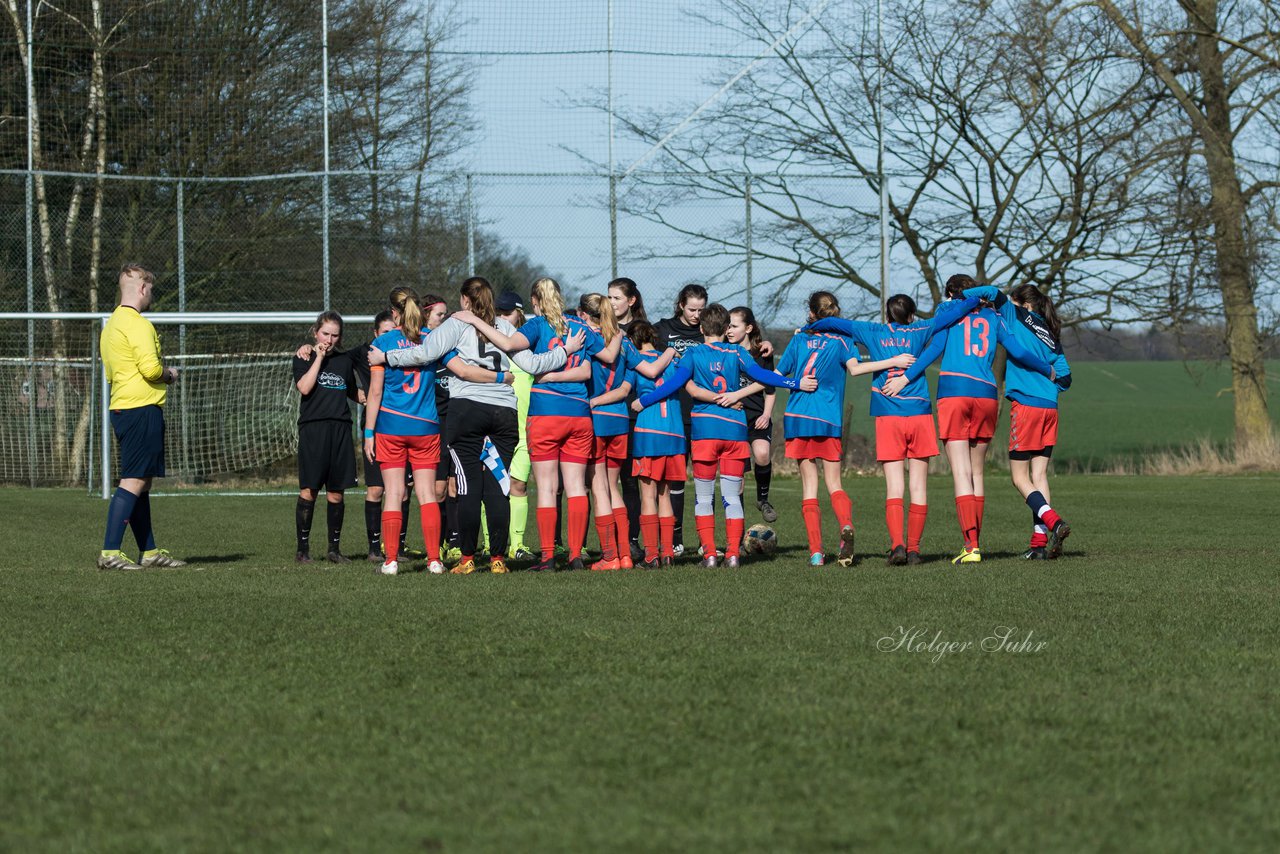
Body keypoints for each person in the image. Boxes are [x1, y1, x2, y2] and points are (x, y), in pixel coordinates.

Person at [375, 277, 583, 574]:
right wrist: (566, 351)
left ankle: (468, 558)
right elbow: (534, 365)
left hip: (468, 410)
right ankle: (498, 559)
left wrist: (386, 356)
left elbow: (423, 353)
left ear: (465, 300)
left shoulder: (457, 323)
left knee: (468, 484)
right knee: (499, 486)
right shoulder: (506, 328)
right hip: (503, 411)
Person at [885, 275, 1057, 563]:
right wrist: (1047, 369)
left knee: (962, 473)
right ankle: (976, 545)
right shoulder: (994, 316)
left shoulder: (947, 312)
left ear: (952, 293)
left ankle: (971, 546)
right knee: (978, 473)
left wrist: (905, 378)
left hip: (954, 392)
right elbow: (1017, 351)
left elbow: (934, 349)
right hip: (987, 394)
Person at [454, 277, 620, 571]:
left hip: (545, 414)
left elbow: (505, 343)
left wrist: (474, 321)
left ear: (534, 301)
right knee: (576, 488)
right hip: (579, 415)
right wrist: (616, 327)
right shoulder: (580, 328)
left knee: (546, 487)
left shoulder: (537, 326)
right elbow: (608, 355)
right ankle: (575, 556)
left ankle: (547, 558)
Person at [804, 292, 980, 565]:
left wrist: (809, 327)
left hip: (888, 415)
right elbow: (951, 316)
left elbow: (836, 324)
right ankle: (914, 550)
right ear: (911, 316)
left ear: (887, 316)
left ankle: (897, 545)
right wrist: (974, 299)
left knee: (894, 486)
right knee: (919, 486)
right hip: (919, 412)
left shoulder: (873, 331)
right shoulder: (921, 328)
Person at [637, 303, 816, 567]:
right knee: (732, 497)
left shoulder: (694, 354)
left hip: (705, 432)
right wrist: (795, 383)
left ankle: (710, 554)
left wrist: (645, 401)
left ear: (701, 328)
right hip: (734, 431)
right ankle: (732, 554)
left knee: (704, 497)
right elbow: (764, 376)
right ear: (725, 328)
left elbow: (674, 385)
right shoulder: (736, 353)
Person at [777, 292, 917, 566]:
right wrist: (894, 361)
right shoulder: (843, 340)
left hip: (798, 418)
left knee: (809, 486)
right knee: (834, 483)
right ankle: (845, 524)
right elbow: (855, 370)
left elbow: (779, 377)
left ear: (811, 312)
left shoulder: (799, 339)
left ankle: (816, 554)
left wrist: (795, 383)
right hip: (828, 419)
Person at [961, 282, 1073, 559]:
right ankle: (1038, 544)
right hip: (1050, 407)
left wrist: (961, 297)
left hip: (1027, 406)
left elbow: (989, 291)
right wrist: (1047, 386)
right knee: (1039, 476)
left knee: (1019, 478)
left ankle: (1054, 521)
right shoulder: (1050, 333)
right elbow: (1066, 378)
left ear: (1023, 303)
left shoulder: (1014, 315)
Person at [97, 263, 185, 570]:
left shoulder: (110, 327)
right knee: (133, 480)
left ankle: (149, 552)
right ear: (143, 289)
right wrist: (170, 374)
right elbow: (150, 369)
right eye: (152, 290)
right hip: (141, 408)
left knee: (141, 482)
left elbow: (111, 373)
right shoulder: (139, 324)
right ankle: (110, 552)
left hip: (122, 406)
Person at [292, 310, 360, 563]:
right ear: (315, 332)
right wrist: (317, 356)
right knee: (309, 490)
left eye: (335, 335)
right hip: (313, 429)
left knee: (336, 493)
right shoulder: (304, 357)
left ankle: (334, 550)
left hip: (341, 429)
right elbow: (305, 387)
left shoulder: (345, 361)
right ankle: (302, 549)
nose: (329, 339)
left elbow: (354, 392)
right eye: (325, 334)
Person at [580, 293, 634, 570]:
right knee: (614, 487)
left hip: (596, 420)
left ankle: (609, 556)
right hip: (620, 420)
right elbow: (644, 369)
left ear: (584, 314)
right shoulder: (624, 339)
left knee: (599, 489)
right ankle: (625, 555)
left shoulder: (586, 338)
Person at [652, 284, 707, 555]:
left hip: (702, 412)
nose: (697, 315)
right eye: (692, 309)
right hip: (673, 413)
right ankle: (675, 538)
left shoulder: (708, 331)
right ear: (680, 306)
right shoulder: (663, 329)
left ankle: (705, 541)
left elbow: (740, 339)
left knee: (704, 477)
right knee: (675, 479)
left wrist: (762, 343)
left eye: (701, 309)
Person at [627, 321, 685, 567]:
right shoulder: (671, 360)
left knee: (647, 495)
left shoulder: (635, 361)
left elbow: (624, 388)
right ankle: (668, 553)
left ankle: (651, 554)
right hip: (674, 432)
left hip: (648, 432)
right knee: (665, 495)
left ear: (632, 340)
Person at [608, 277, 649, 560]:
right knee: (603, 481)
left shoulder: (644, 331)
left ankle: (632, 540)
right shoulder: (601, 329)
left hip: (636, 414)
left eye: (616, 298)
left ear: (631, 300)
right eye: (608, 298)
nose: (610, 303)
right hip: (607, 412)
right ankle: (611, 542)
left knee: (632, 481)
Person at [725, 306, 778, 522]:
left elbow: (771, 389)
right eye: (727, 326)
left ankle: (763, 499)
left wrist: (766, 414)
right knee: (738, 475)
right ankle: (739, 526)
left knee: (763, 454)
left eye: (734, 326)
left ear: (748, 328)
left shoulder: (762, 353)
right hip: (733, 418)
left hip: (757, 415)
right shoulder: (724, 351)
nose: (729, 330)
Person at [495, 291, 536, 560]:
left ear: (519, 314)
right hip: (496, 429)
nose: (502, 318)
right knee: (494, 487)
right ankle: (490, 544)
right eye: (498, 313)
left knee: (518, 485)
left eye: (507, 313)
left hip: (525, 431)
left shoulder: (528, 346)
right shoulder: (488, 346)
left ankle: (517, 545)